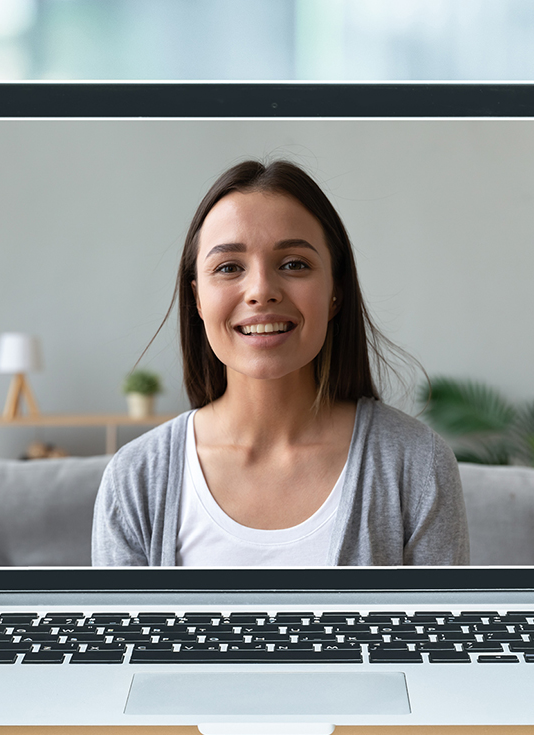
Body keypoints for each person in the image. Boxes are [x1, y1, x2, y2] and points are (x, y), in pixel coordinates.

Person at [91, 160, 469, 566]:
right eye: (229, 267)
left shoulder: (417, 464)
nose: (261, 291)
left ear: (335, 293)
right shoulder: (134, 478)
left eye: (294, 264)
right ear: (198, 299)